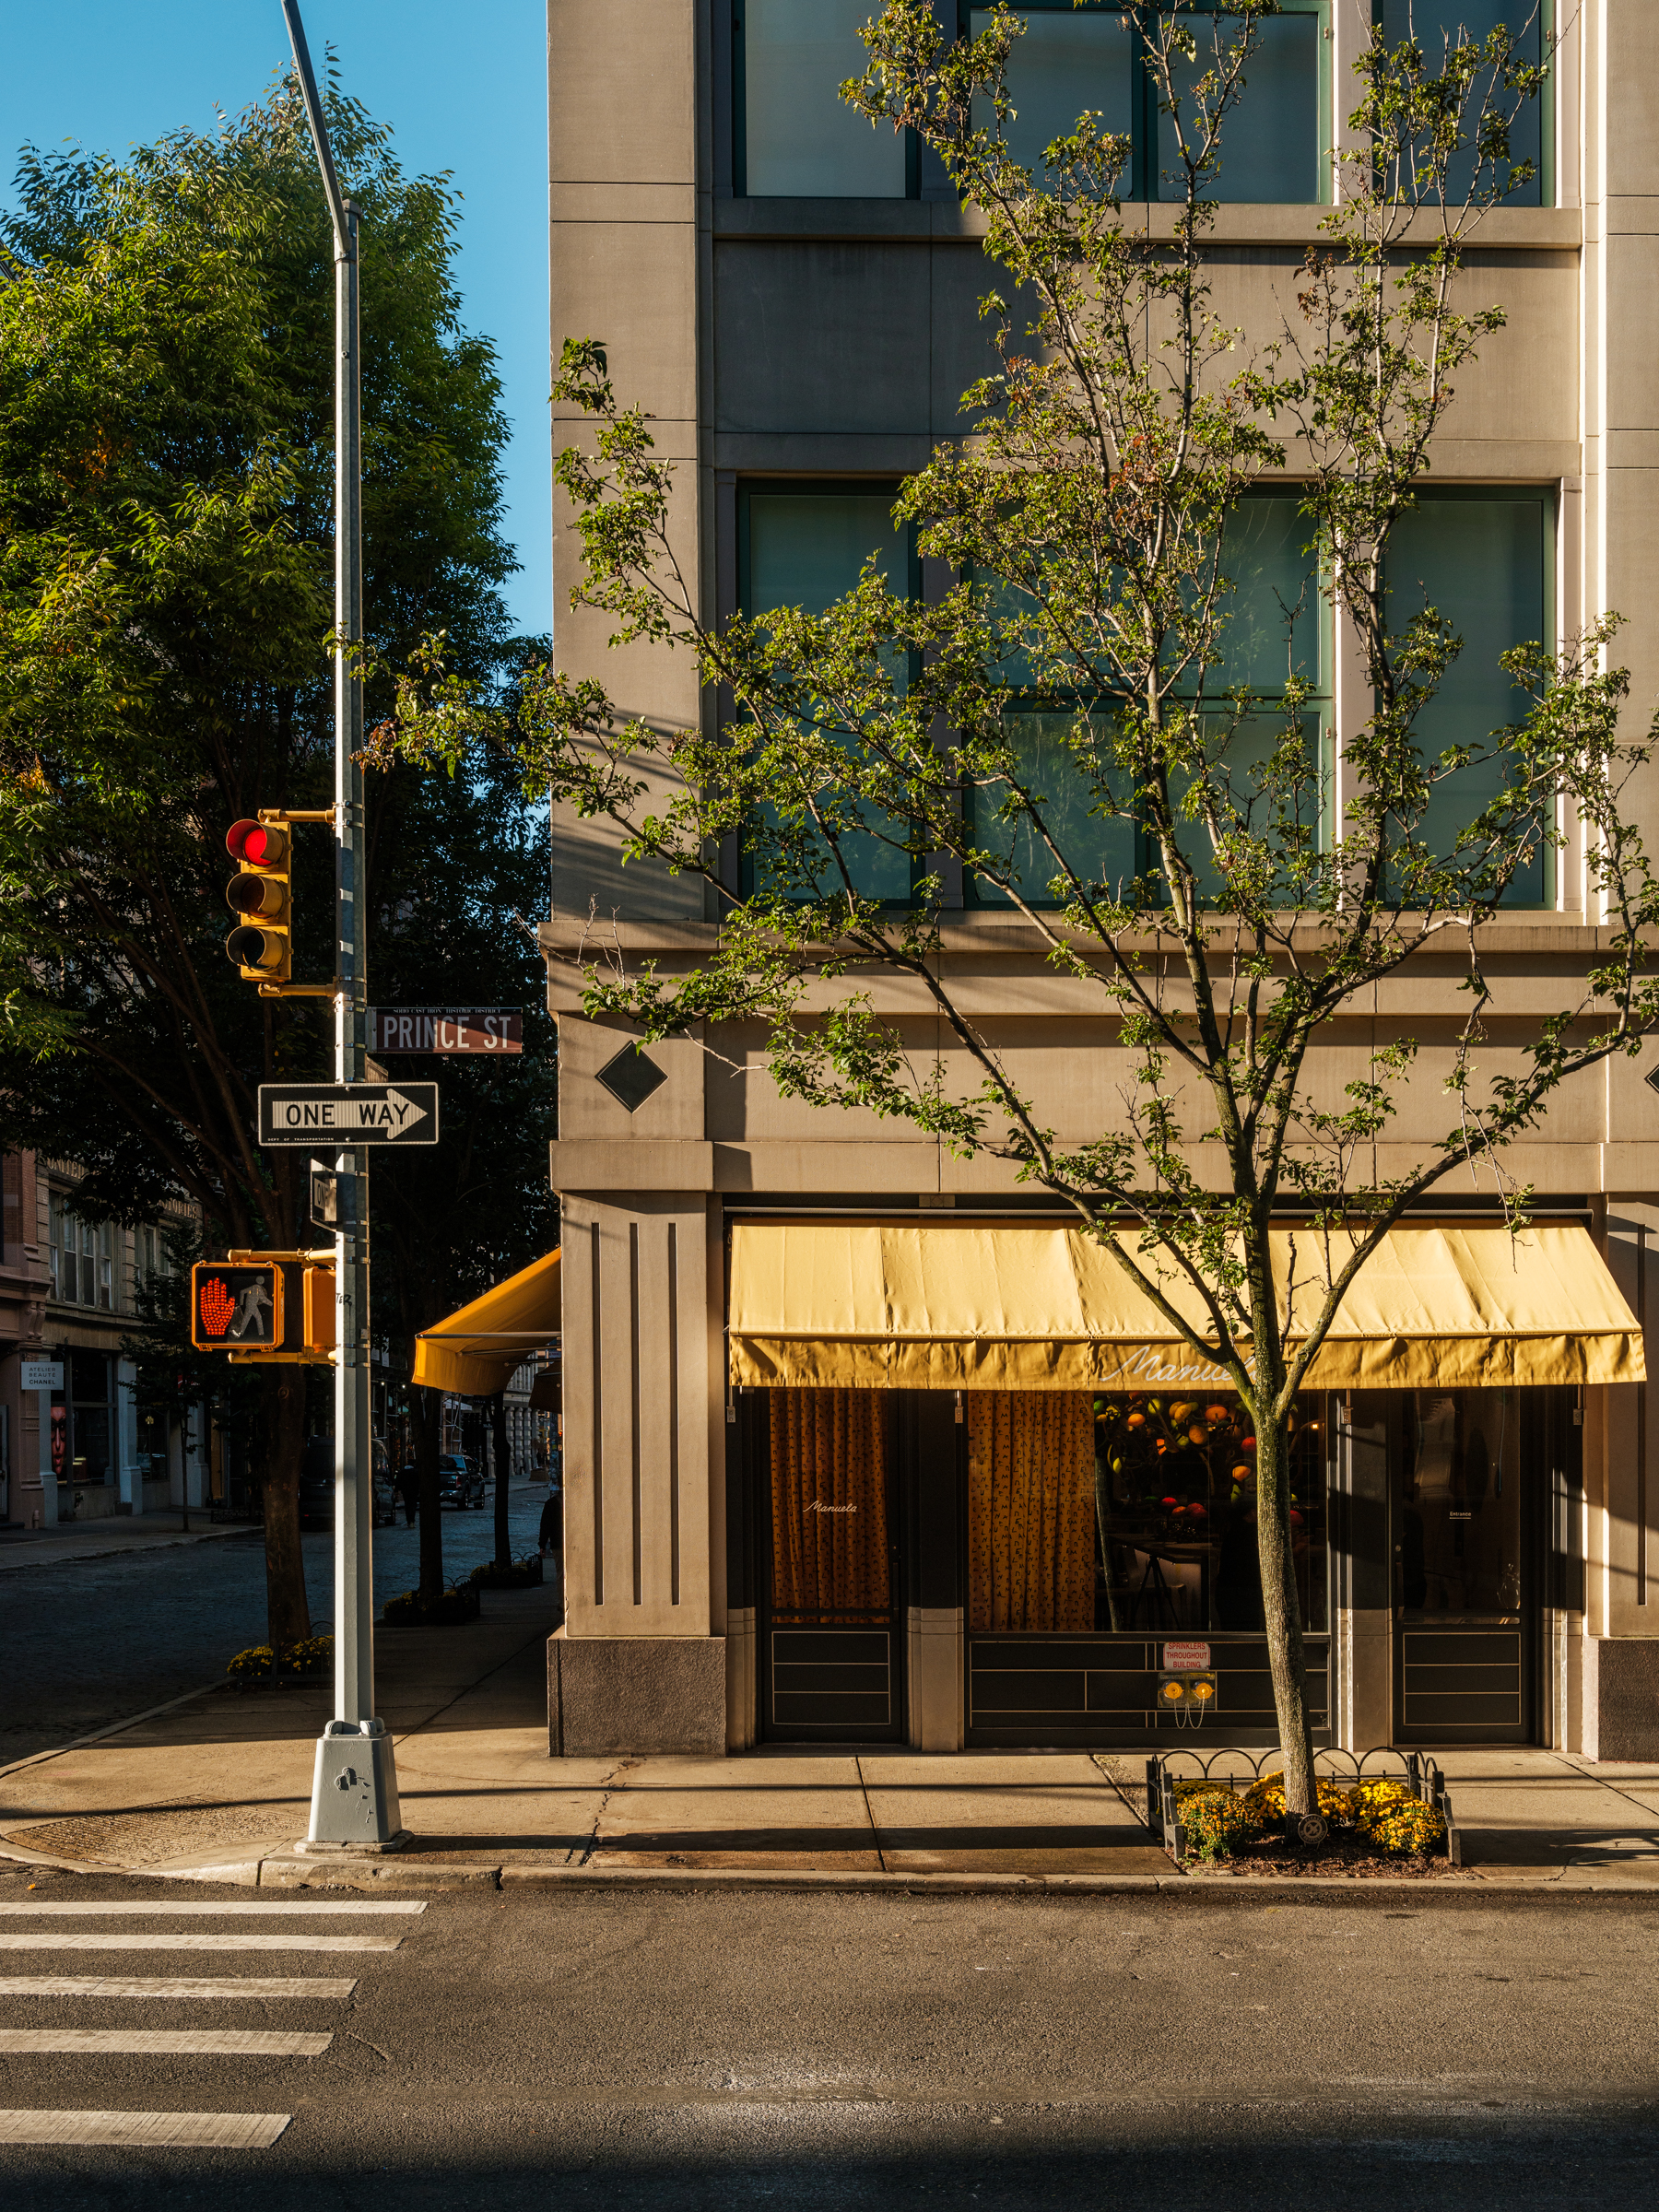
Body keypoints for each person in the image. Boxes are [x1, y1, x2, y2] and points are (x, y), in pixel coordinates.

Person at [538, 1478, 562, 1561]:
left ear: (558, 1483)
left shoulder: (551, 1503)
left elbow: (545, 1526)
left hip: (558, 1542)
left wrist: (542, 1545)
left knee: (561, 1571)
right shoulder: (576, 1501)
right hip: (576, 1541)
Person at [396, 1460, 418, 1527]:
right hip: (413, 1491)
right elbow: (418, 1482)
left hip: (405, 1491)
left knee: (407, 1505)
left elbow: (398, 1481)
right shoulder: (415, 1472)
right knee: (413, 1506)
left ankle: (409, 1520)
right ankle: (412, 1521)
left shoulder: (402, 1472)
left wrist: (398, 1489)